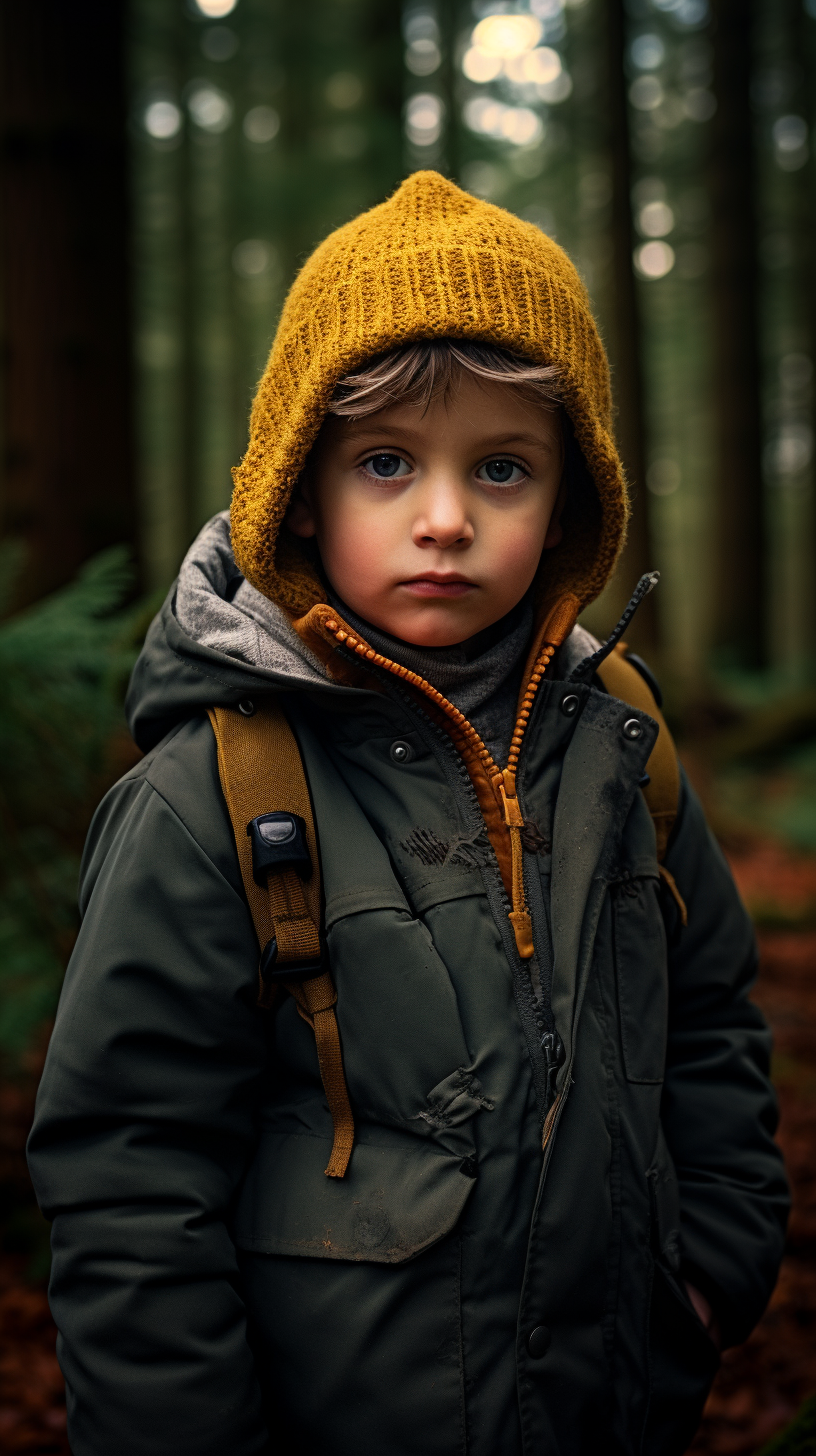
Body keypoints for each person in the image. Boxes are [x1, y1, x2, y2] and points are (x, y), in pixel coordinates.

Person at [27, 171, 788, 1456]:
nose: (446, 519)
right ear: (300, 491)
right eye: (387, 463)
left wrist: (711, 1267)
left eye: (502, 466)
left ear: (567, 510)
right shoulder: (212, 793)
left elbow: (710, 1020)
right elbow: (128, 1167)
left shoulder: (623, 744)